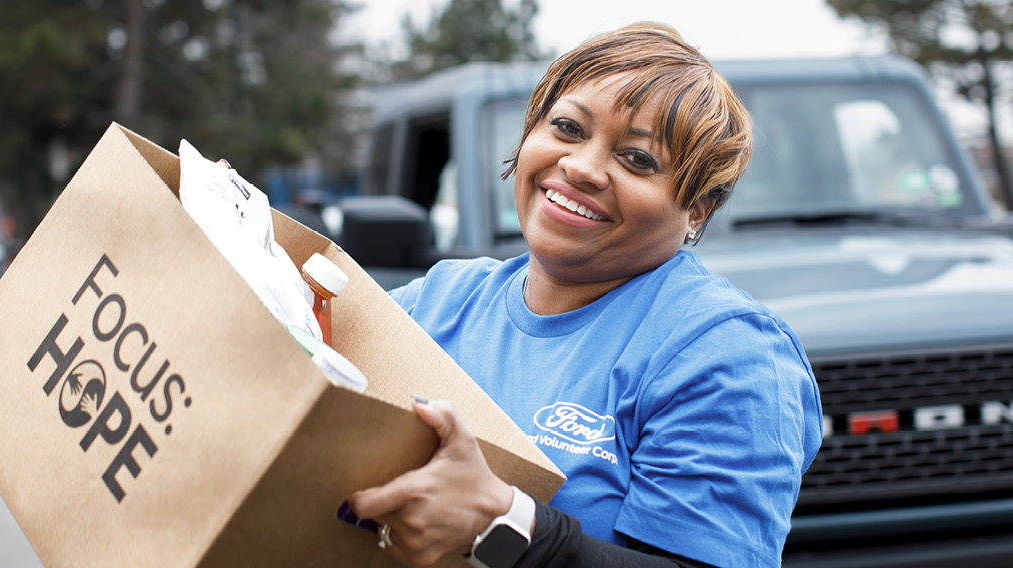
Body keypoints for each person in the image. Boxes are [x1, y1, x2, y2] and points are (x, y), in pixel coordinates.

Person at [346, 21, 823, 568]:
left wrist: (509, 527)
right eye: (568, 128)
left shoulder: (727, 356)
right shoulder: (441, 299)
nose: (580, 167)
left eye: (638, 159)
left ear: (698, 209)